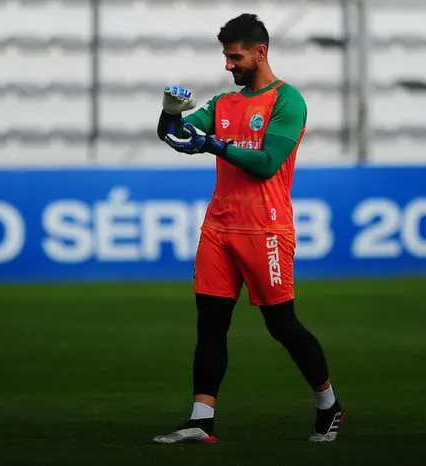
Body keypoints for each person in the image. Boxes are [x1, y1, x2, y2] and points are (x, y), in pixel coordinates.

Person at [152, 13, 344, 444]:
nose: (228, 65)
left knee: (282, 325)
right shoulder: (223, 104)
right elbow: (180, 133)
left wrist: (214, 145)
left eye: (235, 56)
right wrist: (168, 116)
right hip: (219, 227)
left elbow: (266, 163)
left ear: (261, 53)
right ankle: (201, 421)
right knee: (211, 324)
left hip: (267, 230)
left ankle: (328, 405)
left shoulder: (287, 101)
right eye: (225, 56)